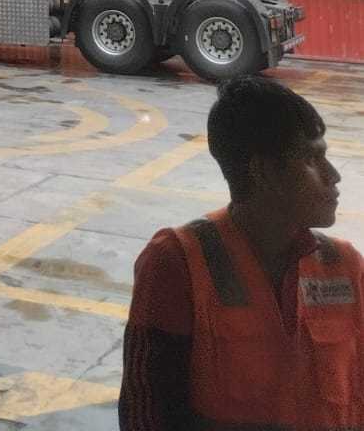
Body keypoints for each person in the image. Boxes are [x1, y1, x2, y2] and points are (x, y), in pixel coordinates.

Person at [119, 74, 360, 430]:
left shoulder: (345, 266)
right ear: (264, 171)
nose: (333, 175)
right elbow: (147, 415)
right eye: (313, 158)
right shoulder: (178, 263)